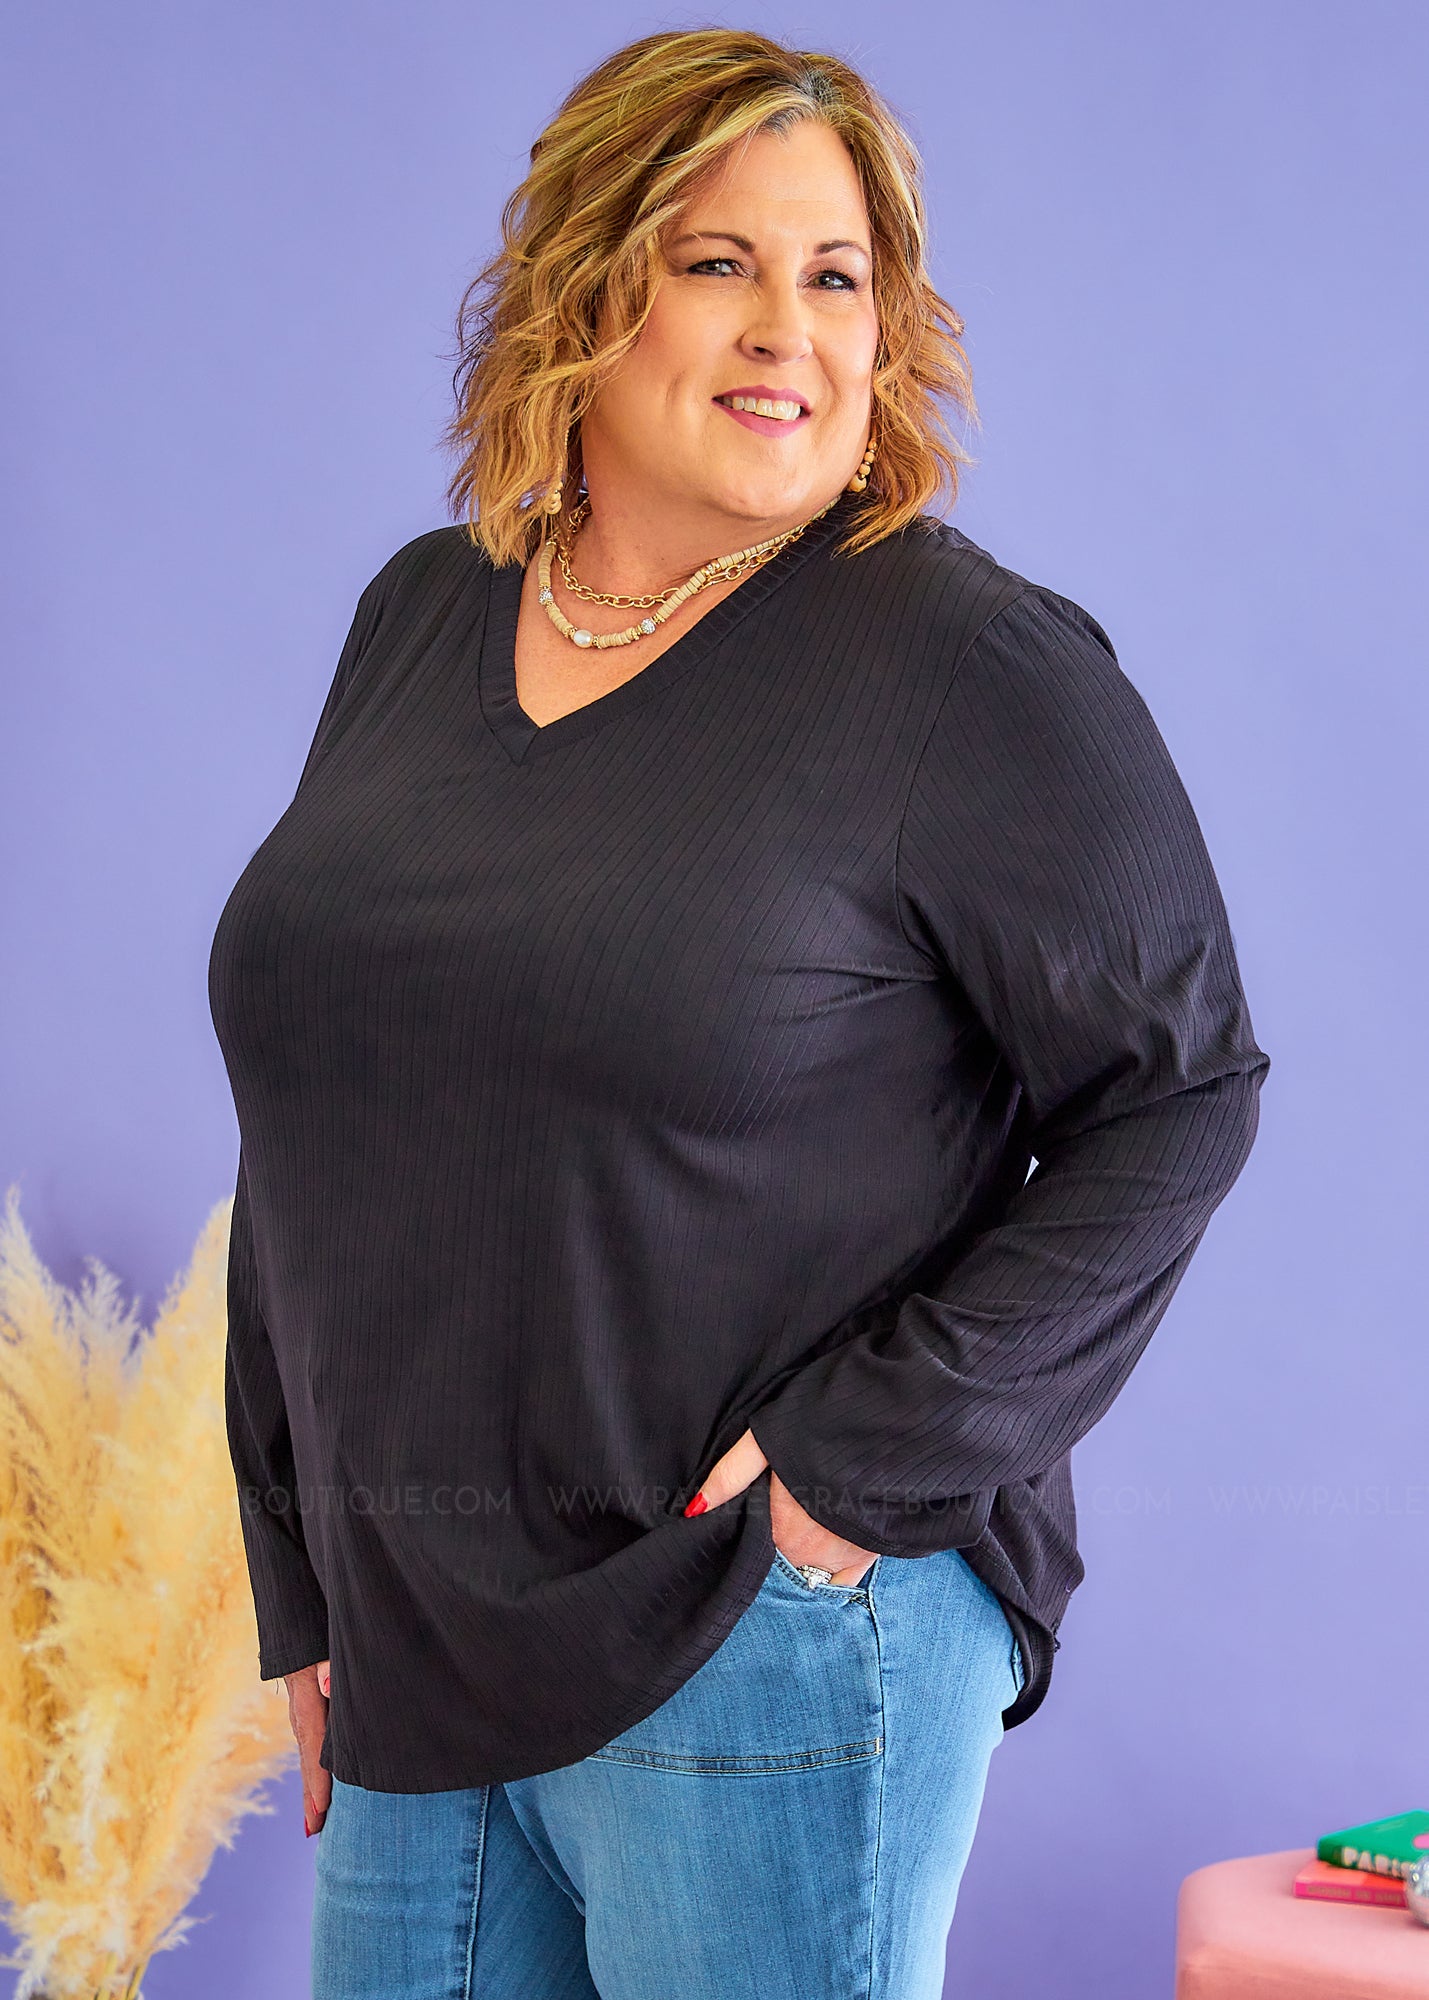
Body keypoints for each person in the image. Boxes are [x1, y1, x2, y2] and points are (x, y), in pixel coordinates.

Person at [207, 26, 1269, 2000]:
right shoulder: (421, 615)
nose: (788, 328)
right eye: (717, 263)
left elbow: (1179, 1091)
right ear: (581, 293)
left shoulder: (959, 660)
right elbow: (324, 1107)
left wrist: (860, 1470)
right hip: (416, 1633)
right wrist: (302, 1566)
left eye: (835, 275)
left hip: (750, 1627)